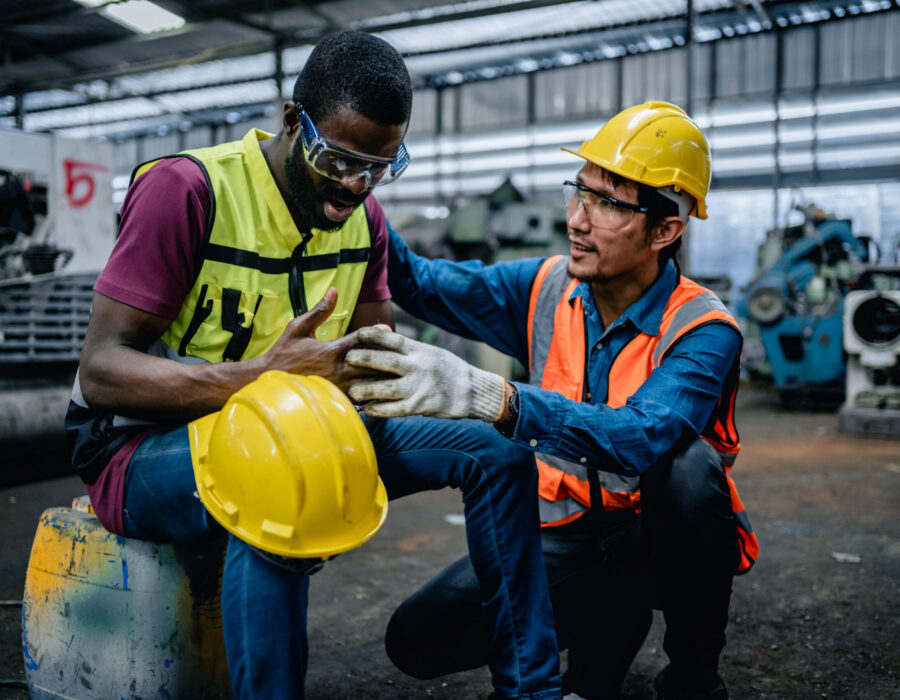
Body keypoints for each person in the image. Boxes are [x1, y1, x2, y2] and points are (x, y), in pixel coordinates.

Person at [65, 31, 562, 700]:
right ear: (293, 122)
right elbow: (102, 373)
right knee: (280, 475)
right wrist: (262, 378)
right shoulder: (188, 191)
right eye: (338, 159)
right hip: (140, 447)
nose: (354, 187)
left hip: (305, 427)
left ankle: (530, 690)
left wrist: (400, 369)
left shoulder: (367, 219)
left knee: (498, 456)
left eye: (380, 165)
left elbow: (375, 348)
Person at [347, 101, 760, 700]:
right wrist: (360, 183)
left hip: (659, 540)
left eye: (609, 204)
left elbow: (640, 439)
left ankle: (693, 677)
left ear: (666, 230)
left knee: (690, 473)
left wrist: (495, 398)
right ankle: (608, 619)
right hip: (569, 534)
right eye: (579, 192)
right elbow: (420, 283)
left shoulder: (702, 328)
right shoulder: (545, 286)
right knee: (418, 639)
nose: (577, 219)